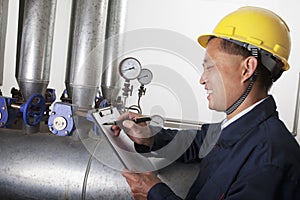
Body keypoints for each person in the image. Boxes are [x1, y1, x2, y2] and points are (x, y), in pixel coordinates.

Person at [112, 6, 300, 200]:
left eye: (210, 67)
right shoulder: (240, 130)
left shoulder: (268, 162)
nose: (202, 79)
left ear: (247, 69)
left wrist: (155, 194)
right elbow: (197, 142)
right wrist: (149, 137)